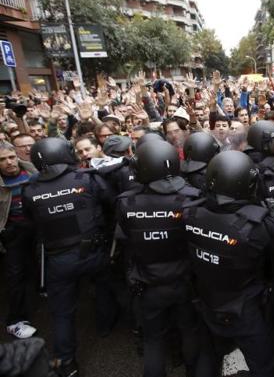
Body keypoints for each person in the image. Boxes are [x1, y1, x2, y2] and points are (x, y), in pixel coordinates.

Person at [22, 137, 118, 377]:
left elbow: (32, 220)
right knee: (104, 287)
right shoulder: (87, 179)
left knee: (62, 313)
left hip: (58, 259)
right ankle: (105, 326)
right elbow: (112, 204)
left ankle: (66, 362)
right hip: (94, 252)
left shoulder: (30, 190)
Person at [184, 150, 274, 377]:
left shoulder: (190, 214)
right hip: (245, 309)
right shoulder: (259, 226)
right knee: (264, 364)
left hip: (207, 300)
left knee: (209, 355)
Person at [116, 140, 204, 377]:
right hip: (185, 281)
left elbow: (125, 241)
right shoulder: (192, 198)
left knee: (154, 340)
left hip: (148, 283)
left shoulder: (126, 202)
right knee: (189, 330)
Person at [0, 141, 38, 339]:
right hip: (13, 234)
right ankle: (15, 321)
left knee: (35, 266)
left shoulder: (33, 174)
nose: (8, 162)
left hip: (37, 228)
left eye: (11, 157)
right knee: (15, 275)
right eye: (2, 160)